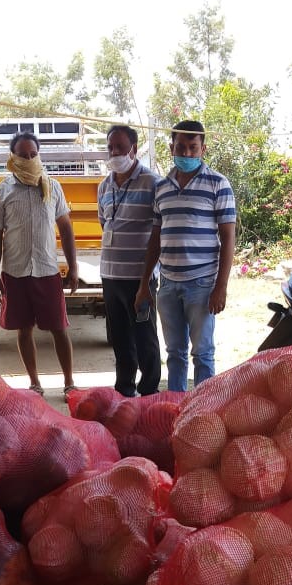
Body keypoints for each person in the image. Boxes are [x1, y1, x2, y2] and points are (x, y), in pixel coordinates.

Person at [134, 120, 236, 391]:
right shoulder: (162, 187)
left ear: (203, 149)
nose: (187, 153)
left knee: (203, 353)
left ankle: (204, 409)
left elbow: (228, 238)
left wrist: (221, 287)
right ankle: (176, 408)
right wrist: (144, 285)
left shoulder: (218, 184)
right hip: (167, 285)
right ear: (172, 148)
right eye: (181, 147)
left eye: (193, 147)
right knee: (175, 354)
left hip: (202, 285)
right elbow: (155, 239)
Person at [0, 131, 79, 400]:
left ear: (39, 155)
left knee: (59, 328)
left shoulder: (53, 187)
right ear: (13, 157)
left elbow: (66, 229)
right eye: (23, 155)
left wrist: (73, 267)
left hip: (47, 270)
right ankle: (35, 383)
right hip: (15, 272)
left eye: (33, 154)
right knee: (23, 329)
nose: (29, 159)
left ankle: (69, 383)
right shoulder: (1, 191)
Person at [98, 124, 161, 397]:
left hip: (139, 278)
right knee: (120, 337)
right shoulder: (104, 185)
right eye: (110, 147)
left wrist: (146, 282)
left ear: (133, 149)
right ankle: (124, 391)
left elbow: (159, 231)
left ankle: (149, 392)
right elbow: (105, 224)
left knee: (144, 337)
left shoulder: (152, 182)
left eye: (120, 147)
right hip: (110, 275)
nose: (114, 153)